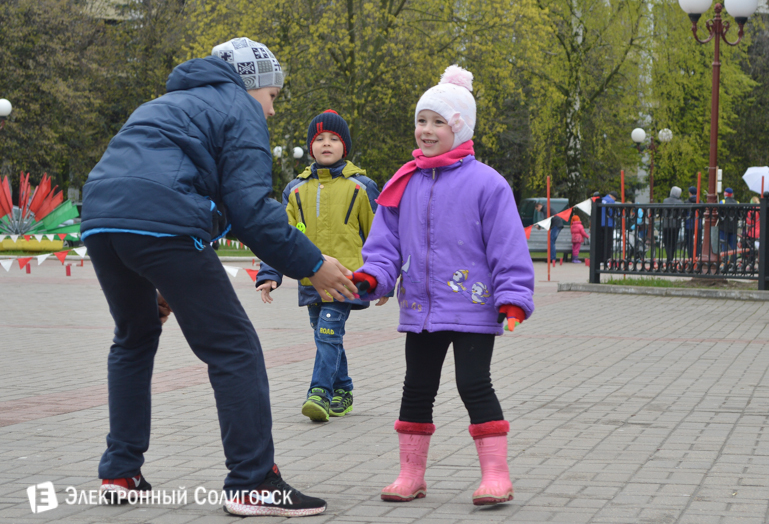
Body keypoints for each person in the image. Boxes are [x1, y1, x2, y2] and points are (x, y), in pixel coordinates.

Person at [79, 37, 358, 518]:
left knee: (134, 336)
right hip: (161, 225)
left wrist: (167, 278)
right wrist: (313, 264)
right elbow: (251, 210)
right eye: (272, 96)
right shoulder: (238, 107)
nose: (270, 112)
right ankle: (253, 483)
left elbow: (197, 197)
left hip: (101, 220)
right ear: (252, 84)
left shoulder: (162, 103)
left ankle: (120, 471)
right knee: (235, 348)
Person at [348, 66, 534, 506]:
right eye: (421, 120)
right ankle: (410, 474)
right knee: (416, 387)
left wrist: (513, 298)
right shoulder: (404, 181)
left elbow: (507, 246)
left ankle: (496, 475)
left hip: (473, 307)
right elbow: (385, 241)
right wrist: (374, 276)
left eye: (437, 122)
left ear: (460, 127)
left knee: (474, 384)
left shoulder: (488, 183)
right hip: (421, 308)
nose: (426, 130)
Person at [255, 110, 388, 422]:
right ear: (310, 146)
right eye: (319, 139)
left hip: (347, 279)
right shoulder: (295, 190)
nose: (326, 144)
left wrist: (385, 280)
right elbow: (280, 236)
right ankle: (343, 389)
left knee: (327, 333)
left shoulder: (362, 187)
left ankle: (320, 394)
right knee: (326, 334)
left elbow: (380, 237)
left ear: (345, 147)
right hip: (309, 279)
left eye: (334, 139)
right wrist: (269, 274)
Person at [662, 186, 684, 266]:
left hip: (666, 224)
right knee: (673, 242)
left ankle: (669, 258)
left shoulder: (665, 201)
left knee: (666, 241)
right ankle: (671, 258)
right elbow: (681, 214)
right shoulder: (680, 203)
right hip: (676, 225)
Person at [719, 187, 739, 264]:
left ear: (725, 193)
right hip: (733, 227)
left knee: (724, 244)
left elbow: (719, 213)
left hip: (723, 227)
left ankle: (725, 261)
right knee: (733, 245)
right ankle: (733, 262)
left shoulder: (722, 202)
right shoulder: (737, 202)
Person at [601, 191, 617, 262]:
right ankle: (606, 259)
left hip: (600, 224)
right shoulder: (611, 201)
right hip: (609, 224)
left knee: (601, 241)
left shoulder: (601, 199)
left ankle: (600, 259)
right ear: (614, 197)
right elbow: (612, 213)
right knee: (608, 242)